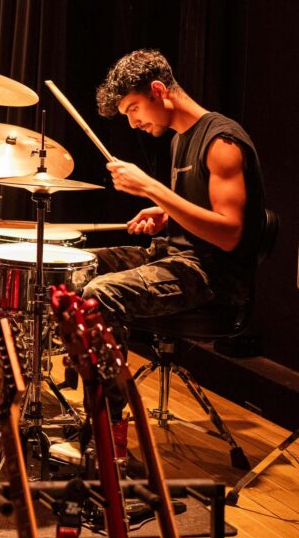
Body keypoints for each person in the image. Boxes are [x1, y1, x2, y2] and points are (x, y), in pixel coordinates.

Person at [83, 49, 265, 458]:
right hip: (176, 257)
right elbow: (200, 208)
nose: (132, 122)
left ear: (159, 90)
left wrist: (152, 188)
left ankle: (109, 436)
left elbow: (231, 234)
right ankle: (86, 406)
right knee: (78, 267)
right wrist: (165, 212)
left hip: (213, 277)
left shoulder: (222, 143)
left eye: (133, 109)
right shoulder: (182, 138)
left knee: (101, 294)